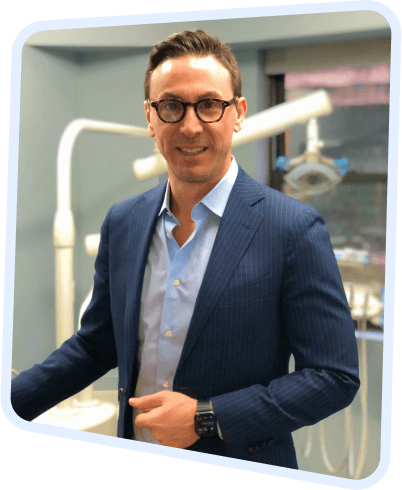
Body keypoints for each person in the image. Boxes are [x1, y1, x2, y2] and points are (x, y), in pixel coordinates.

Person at [11, 30, 360, 468]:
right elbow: (95, 346)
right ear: (150, 117)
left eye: (209, 104)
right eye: (172, 106)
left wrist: (205, 418)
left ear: (237, 113)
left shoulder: (292, 228)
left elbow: (333, 377)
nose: (190, 125)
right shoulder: (124, 222)